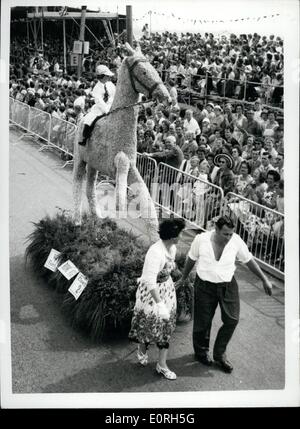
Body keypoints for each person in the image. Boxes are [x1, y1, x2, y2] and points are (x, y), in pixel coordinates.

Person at [176, 216, 273, 373]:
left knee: (232, 319)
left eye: (230, 234)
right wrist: (183, 277)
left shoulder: (236, 241)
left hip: (227, 285)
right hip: (204, 286)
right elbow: (191, 259)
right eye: (225, 234)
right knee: (202, 322)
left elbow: (249, 260)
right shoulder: (201, 239)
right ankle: (201, 352)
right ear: (216, 229)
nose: (228, 237)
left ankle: (219, 354)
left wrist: (264, 279)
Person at [128, 218, 186, 380]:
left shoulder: (172, 248)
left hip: (166, 290)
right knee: (148, 323)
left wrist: (174, 275)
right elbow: (150, 281)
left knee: (165, 327)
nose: (181, 237)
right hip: (152, 294)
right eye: (179, 234)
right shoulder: (155, 253)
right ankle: (142, 349)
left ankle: (161, 364)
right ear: (172, 235)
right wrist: (160, 305)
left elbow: (169, 266)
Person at [79, 65, 116, 146]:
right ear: (102, 76)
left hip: (111, 104)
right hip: (100, 108)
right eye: (107, 76)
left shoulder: (111, 85)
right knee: (89, 119)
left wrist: (111, 104)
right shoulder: (97, 88)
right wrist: (106, 110)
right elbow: (99, 101)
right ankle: (85, 137)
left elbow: (114, 95)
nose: (109, 77)